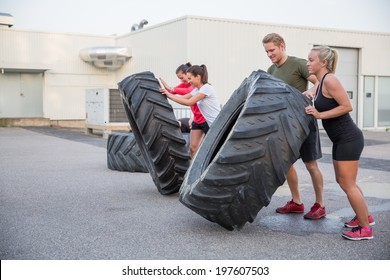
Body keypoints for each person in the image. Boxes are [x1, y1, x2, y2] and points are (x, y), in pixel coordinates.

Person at [305, 45, 374, 240]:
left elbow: (347, 106)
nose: (308, 63)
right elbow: (310, 92)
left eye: (311, 60)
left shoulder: (331, 80)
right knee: (345, 181)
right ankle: (364, 216)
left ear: (323, 62)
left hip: (348, 138)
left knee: (347, 183)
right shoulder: (321, 81)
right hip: (340, 139)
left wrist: (319, 114)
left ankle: (365, 228)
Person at [262, 33, 325, 219]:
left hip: (304, 120)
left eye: (272, 50)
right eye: (266, 51)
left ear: (282, 46)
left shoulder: (298, 64)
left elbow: (321, 82)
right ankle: (297, 202)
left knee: (311, 165)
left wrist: (310, 92)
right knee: (287, 164)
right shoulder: (271, 70)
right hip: (283, 124)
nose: (269, 54)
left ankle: (320, 204)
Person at [161, 64, 220, 157]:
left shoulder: (207, 88)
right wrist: (167, 93)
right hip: (199, 122)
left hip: (213, 123)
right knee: (192, 148)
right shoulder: (197, 90)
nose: (188, 81)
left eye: (190, 78)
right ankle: (193, 170)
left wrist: (169, 95)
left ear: (198, 77)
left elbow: (189, 102)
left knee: (213, 149)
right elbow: (184, 97)